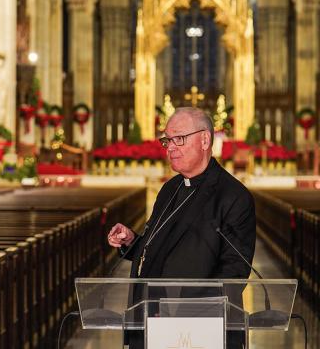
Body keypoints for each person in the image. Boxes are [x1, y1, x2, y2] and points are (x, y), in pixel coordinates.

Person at [108, 107, 256, 349]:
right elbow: (160, 248)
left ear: (205, 139)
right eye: (167, 140)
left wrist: (183, 314)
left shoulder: (233, 196)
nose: (170, 148)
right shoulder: (170, 189)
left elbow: (235, 273)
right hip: (151, 319)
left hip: (195, 330)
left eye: (179, 139)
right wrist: (132, 241)